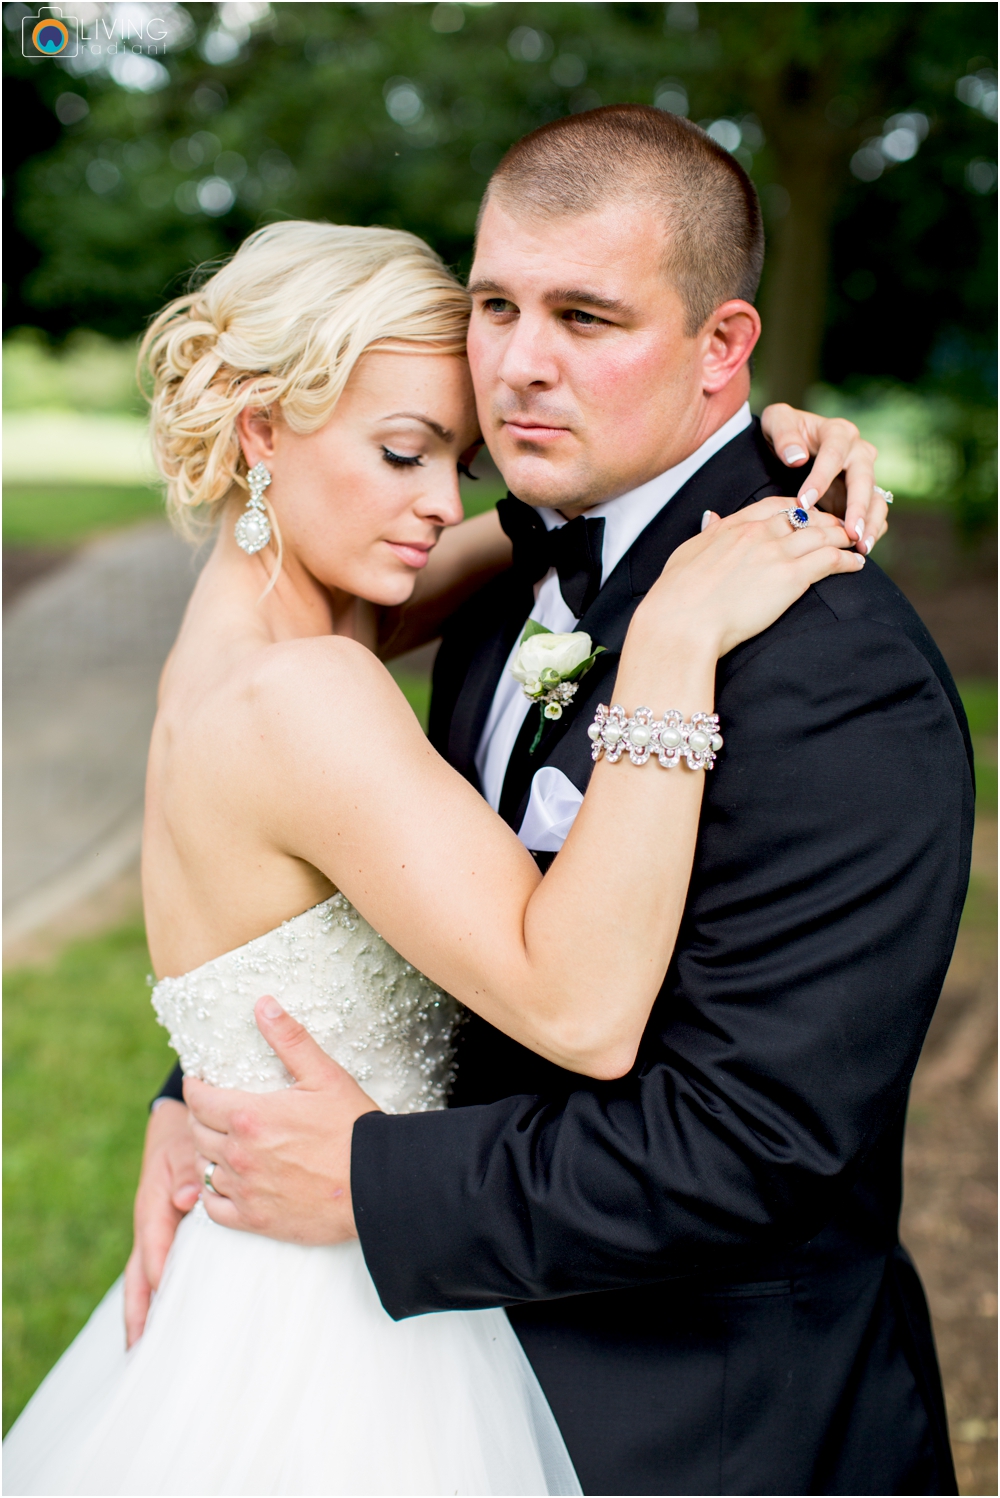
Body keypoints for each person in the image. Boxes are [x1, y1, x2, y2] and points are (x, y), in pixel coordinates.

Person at [136, 109, 969, 1496]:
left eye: (587, 316)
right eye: (498, 306)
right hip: (425, 1372)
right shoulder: (496, 581)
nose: (523, 365)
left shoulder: (836, 674)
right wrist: (217, 1083)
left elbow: (752, 1140)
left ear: (723, 345)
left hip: (704, 1432)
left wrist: (373, 1180)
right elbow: (384, 902)